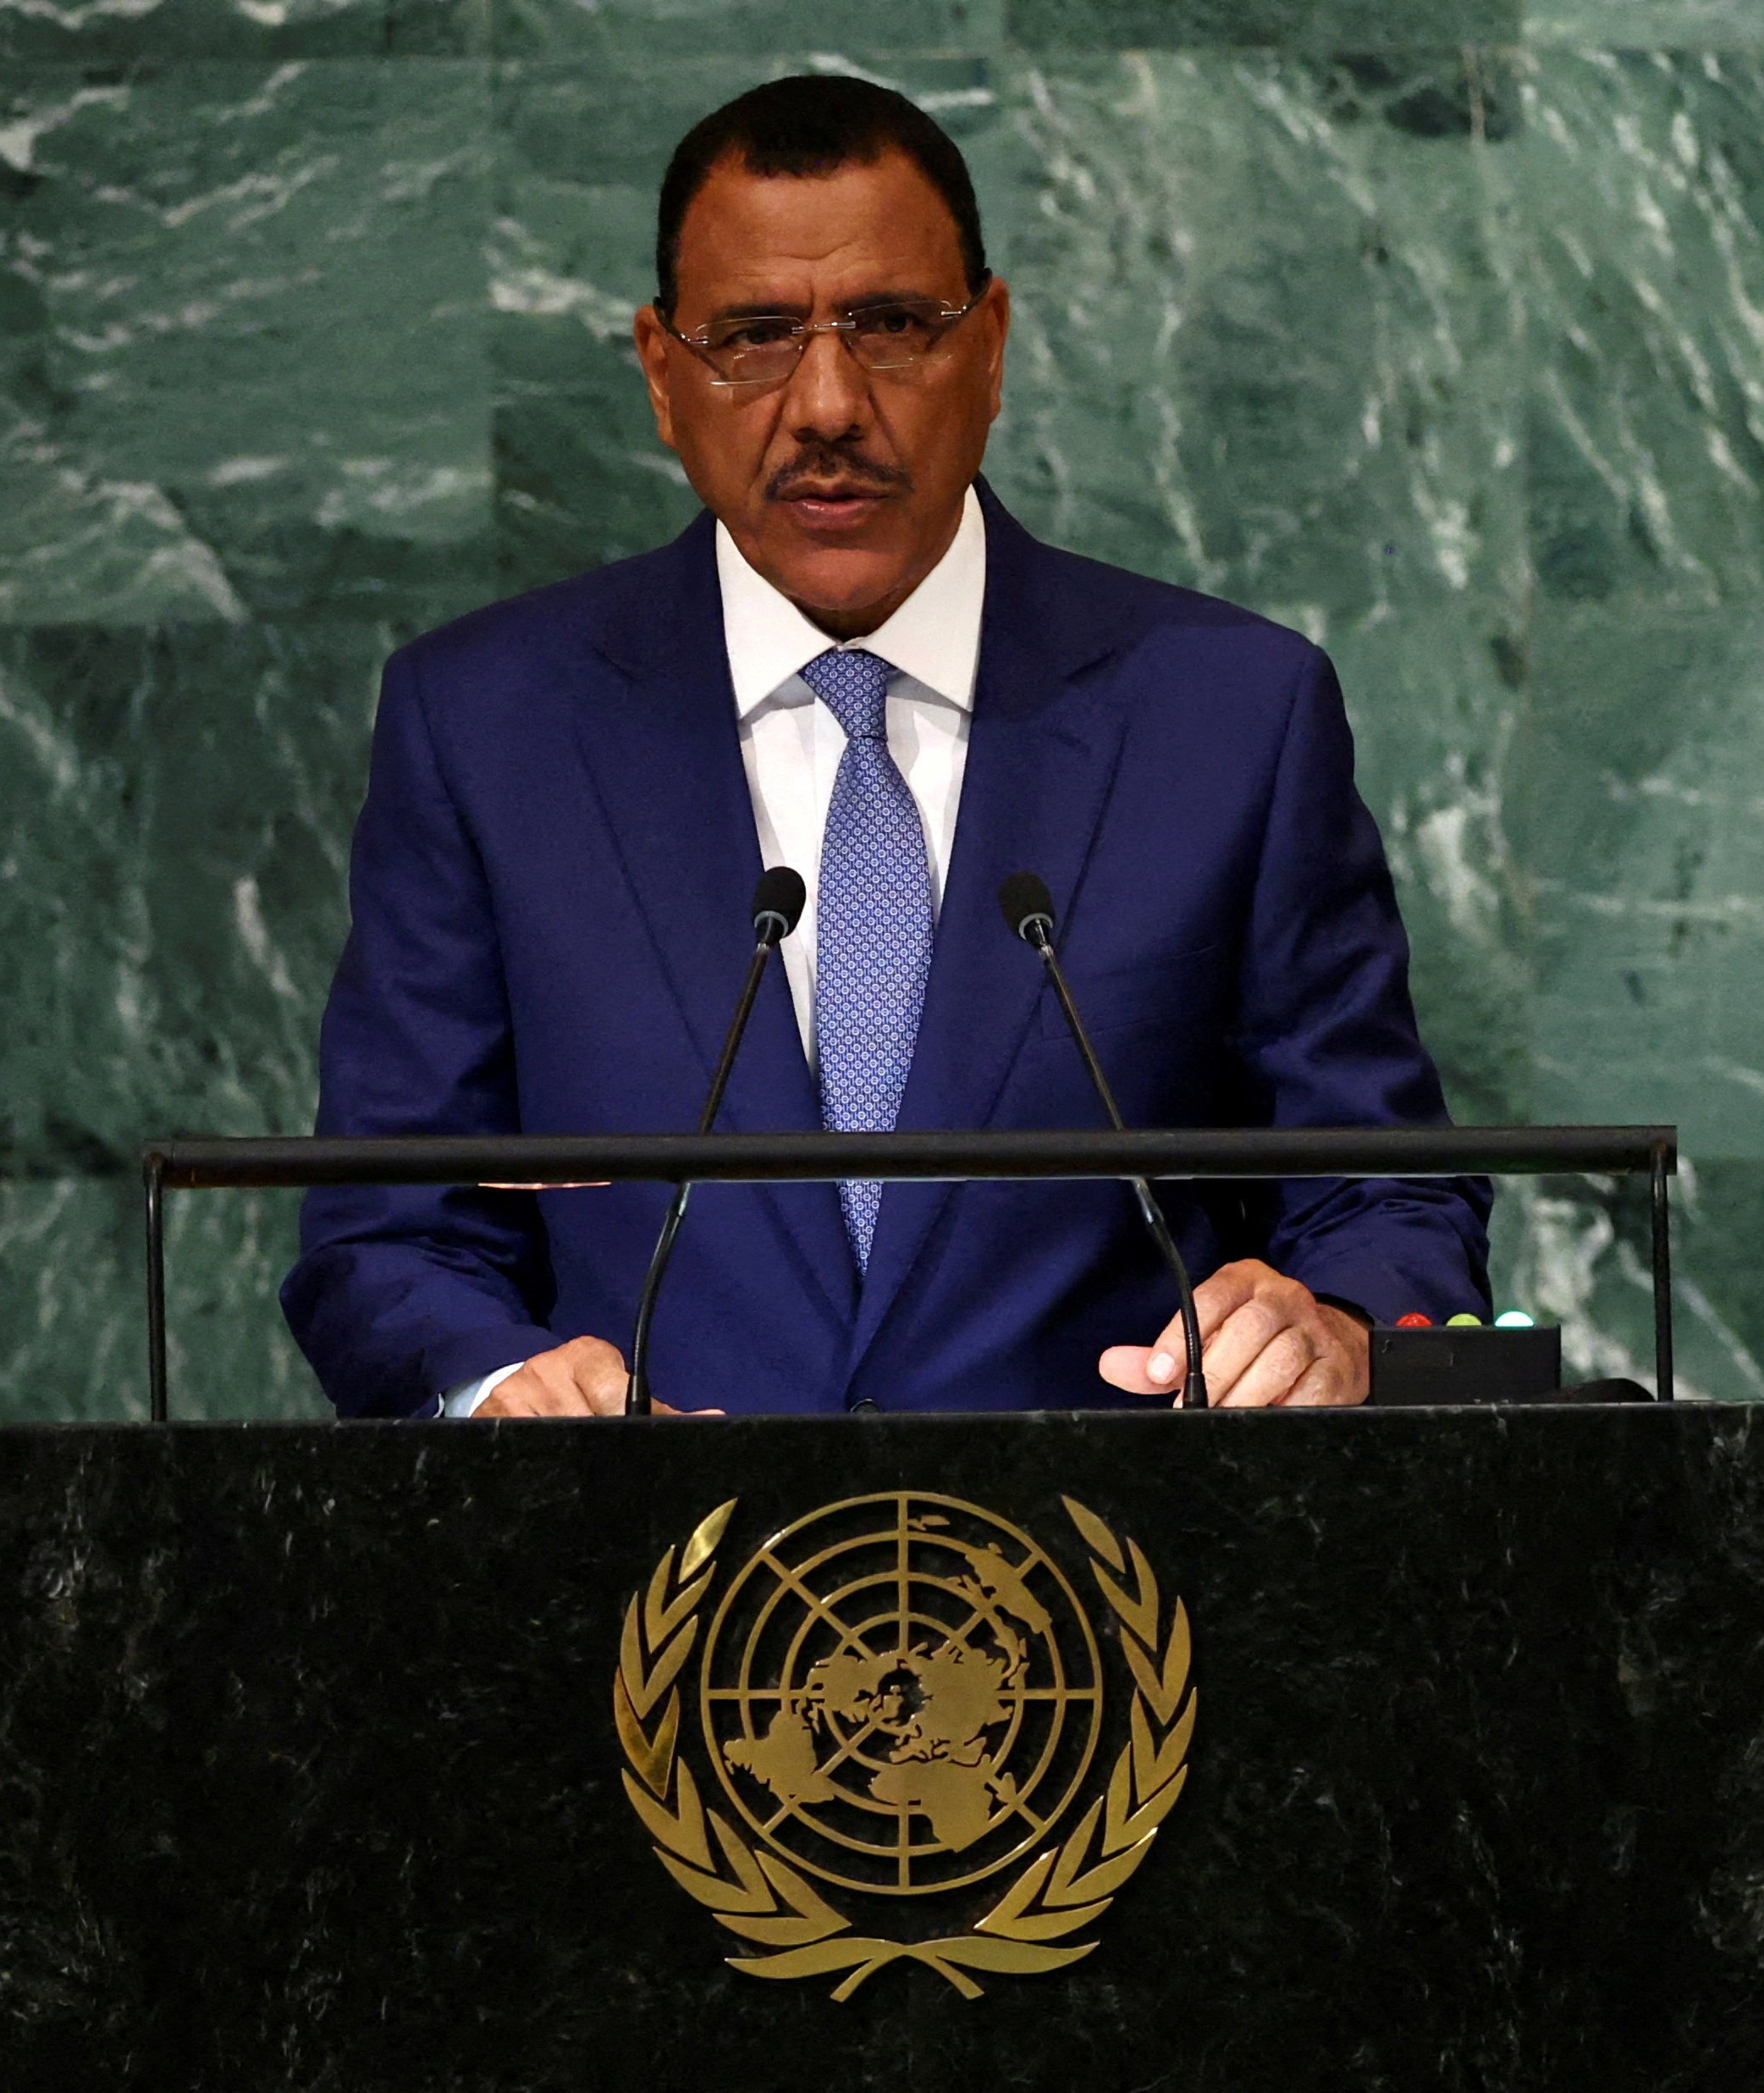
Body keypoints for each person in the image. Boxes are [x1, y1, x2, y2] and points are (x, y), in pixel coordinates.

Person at [281, 75, 1491, 1418]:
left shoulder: (1228, 714)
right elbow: (387, 1236)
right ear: (661, 375)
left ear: (990, 344)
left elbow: (1386, 1192)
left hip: (1122, 1595)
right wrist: (502, 1384)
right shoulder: (488, 726)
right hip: (643, 1592)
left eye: (893, 327)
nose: (826, 405)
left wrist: (1333, 1325)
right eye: (751, 336)